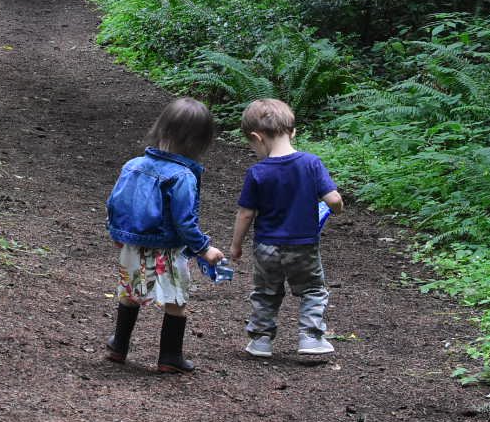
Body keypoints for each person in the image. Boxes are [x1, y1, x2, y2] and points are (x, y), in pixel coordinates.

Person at [104, 97, 226, 373]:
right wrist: (204, 248)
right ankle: (170, 356)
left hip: (133, 246)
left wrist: (117, 233)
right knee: (174, 302)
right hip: (167, 251)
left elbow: (116, 203)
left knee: (130, 293)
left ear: (161, 127)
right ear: (199, 141)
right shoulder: (183, 176)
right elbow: (185, 222)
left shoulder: (133, 164)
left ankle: (118, 346)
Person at [229, 98, 344, 358]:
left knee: (266, 292)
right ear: (293, 131)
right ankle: (311, 338)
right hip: (303, 245)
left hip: (266, 247)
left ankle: (260, 341)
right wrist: (334, 211)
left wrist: (236, 245)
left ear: (257, 137)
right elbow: (334, 200)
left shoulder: (257, 172)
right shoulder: (311, 163)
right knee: (313, 290)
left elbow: (246, 213)